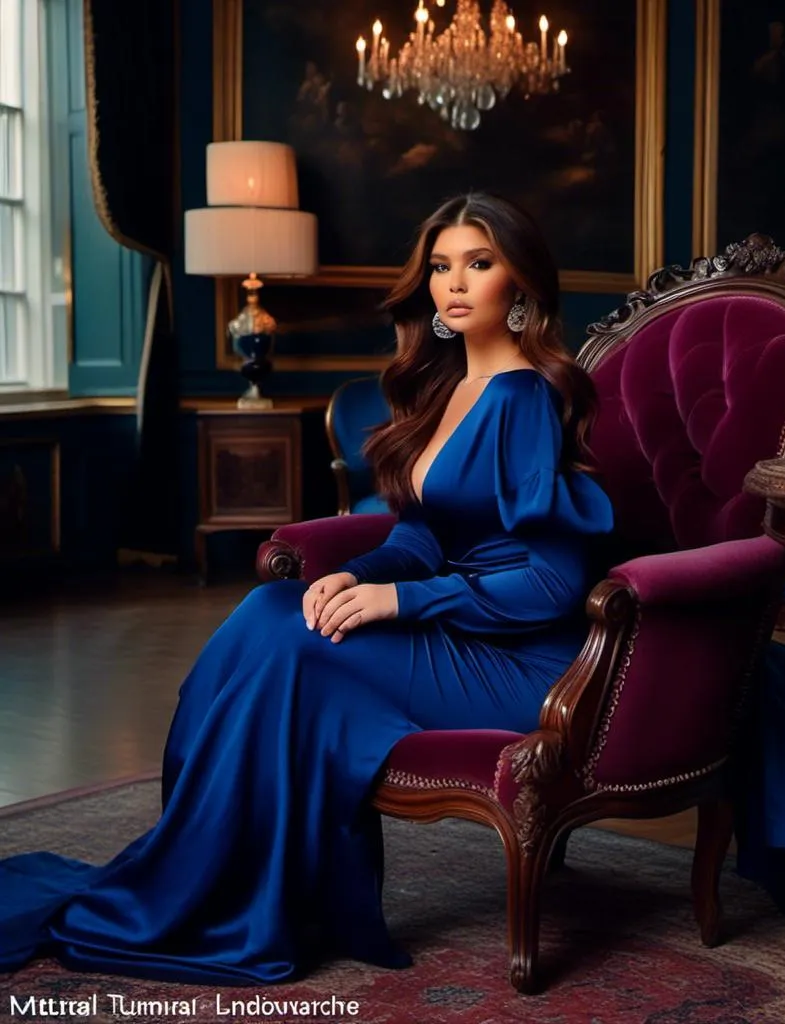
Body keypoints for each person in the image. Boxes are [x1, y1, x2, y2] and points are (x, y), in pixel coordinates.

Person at [0, 192, 615, 983]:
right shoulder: (447, 388)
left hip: (519, 658)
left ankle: (210, 886)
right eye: (440, 266)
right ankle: (193, 865)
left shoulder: (523, 397)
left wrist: (401, 602)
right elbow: (425, 535)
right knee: (271, 608)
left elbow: (551, 582)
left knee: (289, 642)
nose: (453, 284)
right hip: (462, 627)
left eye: (479, 263)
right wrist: (359, 574)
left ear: (520, 284)